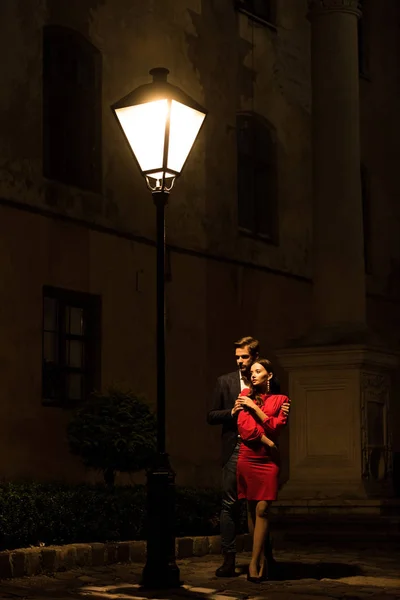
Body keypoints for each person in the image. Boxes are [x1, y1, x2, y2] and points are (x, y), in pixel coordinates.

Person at [207, 336, 289, 578]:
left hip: (263, 455)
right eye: (237, 358)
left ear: (255, 357)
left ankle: (264, 558)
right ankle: (229, 559)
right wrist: (231, 412)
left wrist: (275, 416)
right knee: (231, 505)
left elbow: (276, 414)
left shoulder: (267, 380)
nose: (240, 362)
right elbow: (211, 415)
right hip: (236, 449)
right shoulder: (225, 382)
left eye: (244, 357)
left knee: (260, 507)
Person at [237, 358, 290, 583]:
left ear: (269, 375)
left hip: (268, 462)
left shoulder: (282, 399)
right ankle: (259, 558)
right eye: (251, 372)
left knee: (262, 508)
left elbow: (276, 426)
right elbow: (245, 429)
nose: (253, 374)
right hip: (248, 457)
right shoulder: (244, 396)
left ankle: (254, 562)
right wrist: (267, 441)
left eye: (258, 371)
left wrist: (254, 408)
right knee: (251, 509)